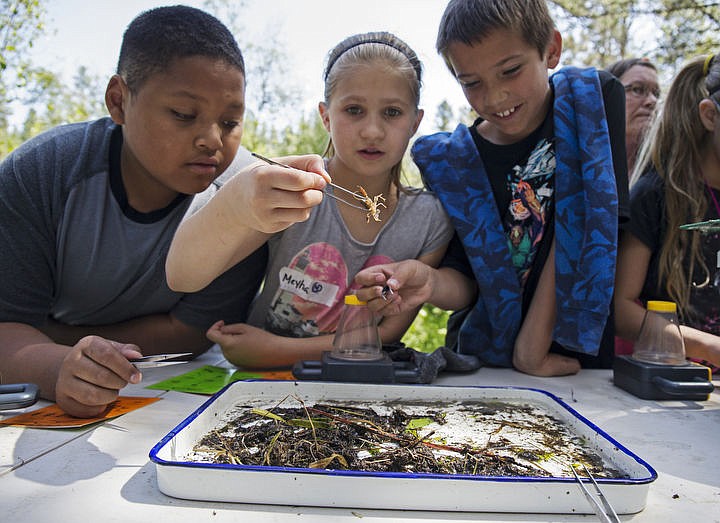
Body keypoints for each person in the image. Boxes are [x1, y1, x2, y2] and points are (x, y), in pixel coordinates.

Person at [0, 5, 328, 418]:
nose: (211, 140)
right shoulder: (42, 173)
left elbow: (194, 333)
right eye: (183, 115)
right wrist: (58, 365)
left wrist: (52, 337)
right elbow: (7, 329)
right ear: (118, 101)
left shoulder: (247, 201)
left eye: (230, 122)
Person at [355, 0, 629, 377]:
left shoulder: (593, 100)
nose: (495, 96)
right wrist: (427, 280)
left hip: (576, 361)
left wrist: (531, 344)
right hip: (480, 365)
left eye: (511, 71)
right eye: (472, 83)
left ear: (551, 49)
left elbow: (590, 221)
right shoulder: (450, 161)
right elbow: (464, 281)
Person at [166, 32, 453, 369]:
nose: (372, 130)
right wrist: (235, 200)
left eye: (392, 112)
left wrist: (273, 351)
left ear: (415, 122)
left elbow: (386, 333)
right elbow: (182, 275)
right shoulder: (290, 189)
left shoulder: (429, 219)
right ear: (326, 116)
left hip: (349, 385)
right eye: (354, 110)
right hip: (258, 386)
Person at [614, 54, 720, 373]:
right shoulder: (654, 194)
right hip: (662, 382)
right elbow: (620, 308)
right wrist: (709, 346)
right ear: (710, 116)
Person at [605, 58, 661, 178]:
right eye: (637, 89)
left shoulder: (669, 174)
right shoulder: (580, 168)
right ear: (607, 97)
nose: (652, 101)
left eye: (656, 94)